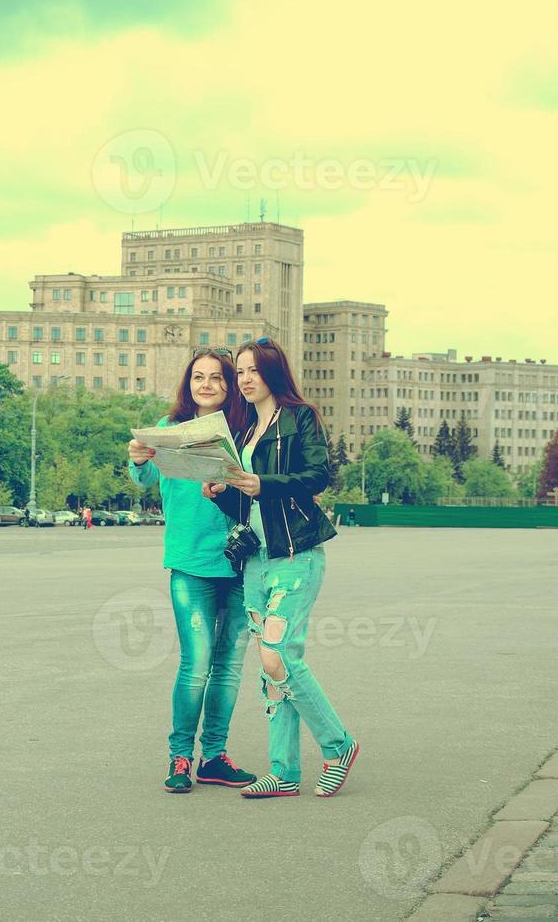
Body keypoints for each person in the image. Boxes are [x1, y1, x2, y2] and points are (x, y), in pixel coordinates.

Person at [204, 337, 358, 799]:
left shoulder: (299, 416)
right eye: (241, 373)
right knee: (270, 667)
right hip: (256, 560)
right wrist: (222, 493)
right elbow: (244, 502)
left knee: (277, 655)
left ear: (272, 372)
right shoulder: (245, 430)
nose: (245, 380)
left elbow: (318, 477)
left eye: (253, 370)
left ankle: (339, 745)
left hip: (296, 554)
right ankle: (284, 771)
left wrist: (260, 482)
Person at [128, 347, 257, 794]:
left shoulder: (245, 430)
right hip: (189, 562)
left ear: (229, 386)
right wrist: (139, 458)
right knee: (196, 664)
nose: (207, 384)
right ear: (188, 383)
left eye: (217, 378)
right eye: (199, 376)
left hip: (242, 560)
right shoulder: (168, 429)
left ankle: (215, 757)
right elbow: (143, 480)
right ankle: (181, 757)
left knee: (229, 666)